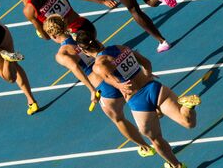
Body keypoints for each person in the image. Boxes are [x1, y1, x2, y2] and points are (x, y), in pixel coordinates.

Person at [74, 28, 201, 168]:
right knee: (188, 122)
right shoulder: (120, 47)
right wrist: (147, 75)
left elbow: (116, 83)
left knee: (155, 138)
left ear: (84, 51)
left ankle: (176, 166)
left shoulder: (99, 65)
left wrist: (118, 86)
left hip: (138, 102)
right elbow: (146, 63)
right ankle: (187, 106)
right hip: (154, 88)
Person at [42, 15, 156, 158]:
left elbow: (76, 70)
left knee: (118, 118)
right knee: (140, 101)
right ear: (64, 24)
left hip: (104, 87)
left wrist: (92, 90)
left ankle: (145, 147)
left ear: (52, 35)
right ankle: (156, 117)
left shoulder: (62, 53)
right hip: (116, 75)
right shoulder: (81, 36)